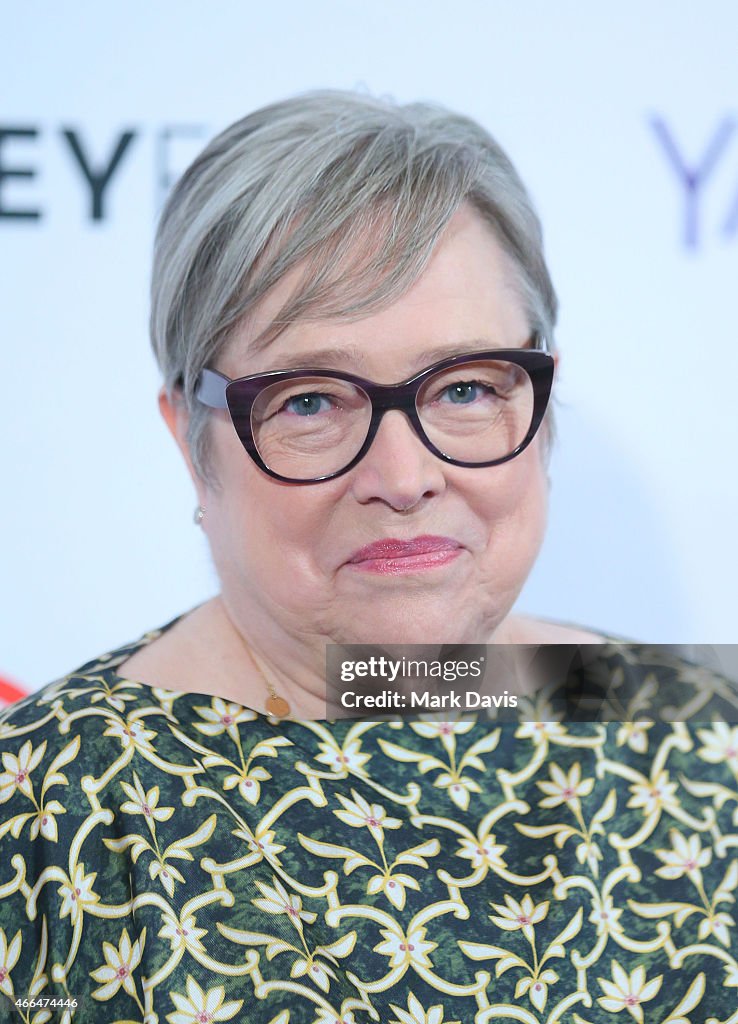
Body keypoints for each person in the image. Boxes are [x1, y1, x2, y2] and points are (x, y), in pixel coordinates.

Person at [1, 90, 736, 1024]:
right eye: (312, 401)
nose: (404, 474)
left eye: (466, 386)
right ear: (190, 438)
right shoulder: (45, 811)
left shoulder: (699, 733)